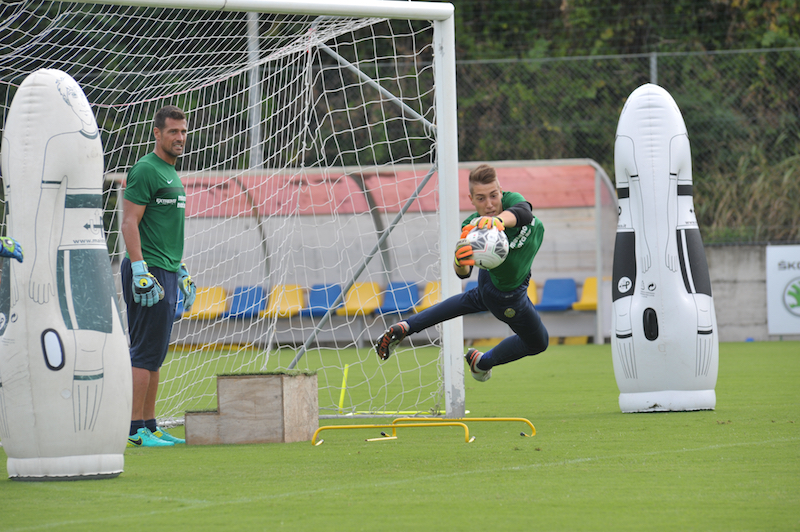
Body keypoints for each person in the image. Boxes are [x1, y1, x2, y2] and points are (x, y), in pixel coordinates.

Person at [375, 164, 548, 381]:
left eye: (494, 195)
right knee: (539, 342)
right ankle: (481, 363)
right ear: (472, 200)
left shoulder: (511, 202)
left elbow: (524, 212)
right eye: (481, 199)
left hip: (496, 282)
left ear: (501, 191)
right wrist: (459, 260)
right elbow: (463, 273)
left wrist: (498, 221)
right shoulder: (472, 227)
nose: (490, 204)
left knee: (474, 298)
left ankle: (406, 326)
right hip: (507, 293)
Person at [121, 105, 196, 447]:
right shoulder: (146, 170)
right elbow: (129, 222)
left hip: (165, 270)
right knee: (143, 352)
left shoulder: (171, 172)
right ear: (157, 133)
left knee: (156, 354)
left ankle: (150, 425)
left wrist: (179, 270)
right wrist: (140, 270)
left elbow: (163, 231)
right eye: (173, 132)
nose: (180, 138)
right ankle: (134, 429)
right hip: (146, 272)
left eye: (183, 131)